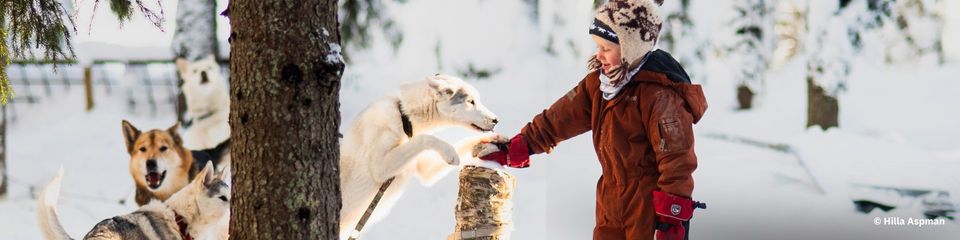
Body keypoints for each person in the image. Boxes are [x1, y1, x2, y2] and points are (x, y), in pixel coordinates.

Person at [478, 0, 707, 239]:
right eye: (597, 46)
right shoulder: (599, 86)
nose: (599, 55)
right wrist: (518, 146)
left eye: (606, 48)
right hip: (610, 202)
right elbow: (557, 120)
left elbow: (677, 162)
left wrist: (671, 220)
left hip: (647, 210)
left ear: (630, 48)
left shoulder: (659, 95)